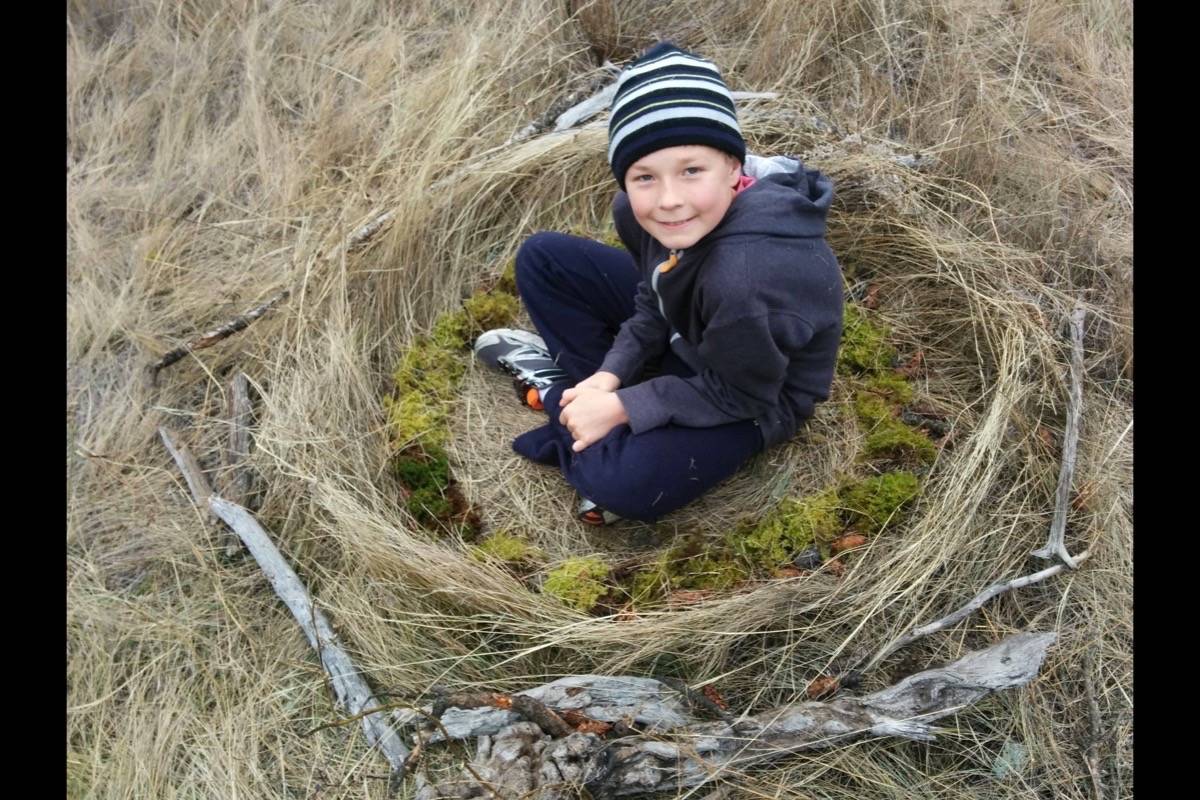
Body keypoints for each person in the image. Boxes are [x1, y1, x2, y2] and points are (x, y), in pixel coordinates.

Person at [474, 41, 843, 525]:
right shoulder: (640, 213)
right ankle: (583, 396)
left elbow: (743, 394)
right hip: (692, 332)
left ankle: (556, 394)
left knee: (621, 484)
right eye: (644, 176)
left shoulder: (749, 278)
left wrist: (625, 405)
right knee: (545, 258)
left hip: (756, 395)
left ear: (733, 166)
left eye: (691, 170)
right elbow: (653, 300)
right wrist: (608, 377)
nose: (669, 200)